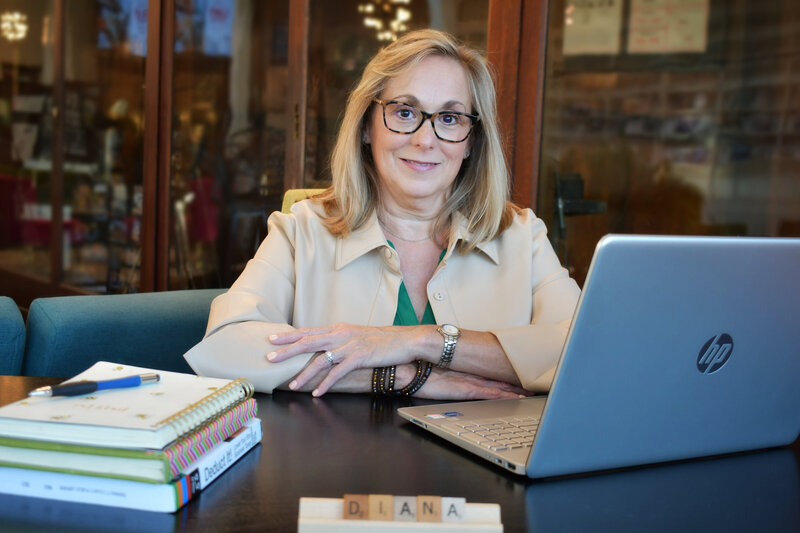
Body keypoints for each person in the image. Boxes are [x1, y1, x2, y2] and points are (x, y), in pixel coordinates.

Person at [184, 29, 580, 400]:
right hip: (334, 470)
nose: (426, 140)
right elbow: (226, 345)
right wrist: (400, 376)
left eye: (449, 118)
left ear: (471, 140)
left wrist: (422, 341)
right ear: (367, 128)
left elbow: (587, 350)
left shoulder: (521, 236)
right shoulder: (301, 230)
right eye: (405, 112)